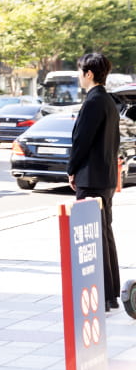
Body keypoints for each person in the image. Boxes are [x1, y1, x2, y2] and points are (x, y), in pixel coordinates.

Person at [67, 52, 121, 312]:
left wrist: (71, 169)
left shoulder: (92, 102)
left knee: (91, 238)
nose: (80, 76)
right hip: (106, 177)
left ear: (88, 74)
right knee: (104, 235)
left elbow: (81, 142)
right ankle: (109, 295)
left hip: (90, 179)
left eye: (80, 72)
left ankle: (101, 296)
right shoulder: (109, 102)